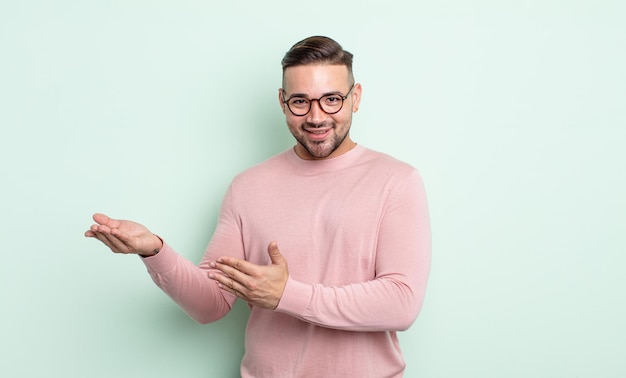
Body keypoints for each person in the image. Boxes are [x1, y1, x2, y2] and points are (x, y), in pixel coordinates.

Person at [85, 36, 431, 378]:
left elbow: (401, 302)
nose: (316, 116)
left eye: (331, 99)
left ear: (355, 98)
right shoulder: (248, 187)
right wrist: (155, 251)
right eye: (300, 101)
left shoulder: (397, 180)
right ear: (282, 102)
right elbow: (211, 304)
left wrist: (287, 294)